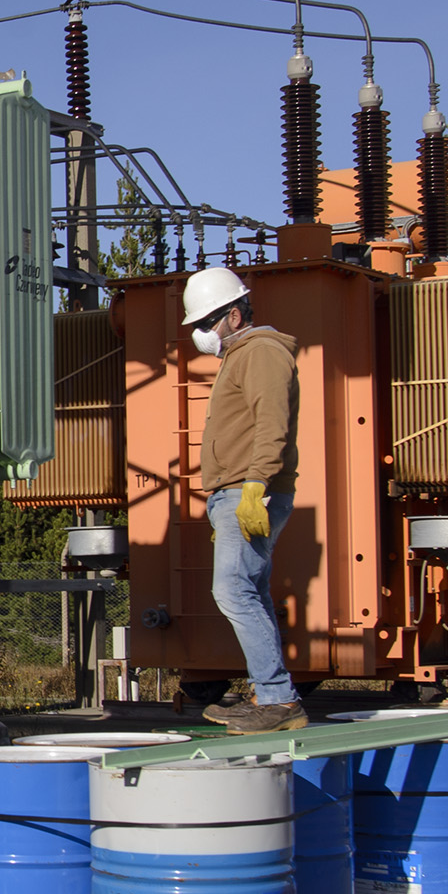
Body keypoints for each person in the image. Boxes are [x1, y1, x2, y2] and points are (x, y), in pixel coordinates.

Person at [181, 265, 304, 732]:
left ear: (234, 314)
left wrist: (255, 485)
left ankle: (277, 699)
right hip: (239, 491)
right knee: (250, 589)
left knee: (233, 590)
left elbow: (272, 422)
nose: (201, 333)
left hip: (250, 490)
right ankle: (271, 696)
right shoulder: (243, 355)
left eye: (206, 322)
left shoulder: (261, 352)